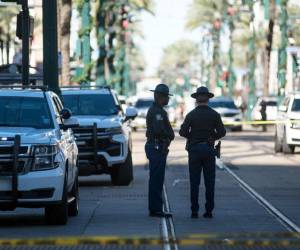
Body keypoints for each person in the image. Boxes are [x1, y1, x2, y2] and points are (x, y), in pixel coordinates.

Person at [179, 86, 226, 219]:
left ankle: (194, 211)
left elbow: (182, 132)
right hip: (209, 150)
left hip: (194, 151)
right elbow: (222, 132)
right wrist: (213, 138)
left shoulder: (191, 115)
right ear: (208, 99)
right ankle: (209, 211)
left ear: (197, 99)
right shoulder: (214, 115)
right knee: (209, 182)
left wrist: (192, 136)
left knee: (194, 182)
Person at [145, 84, 175, 218]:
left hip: (157, 147)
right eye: (165, 97)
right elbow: (158, 130)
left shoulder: (159, 110)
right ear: (158, 96)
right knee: (156, 179)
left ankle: (155, 207)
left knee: (157, 178)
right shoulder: (157, 112)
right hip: (157, 147)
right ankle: (156, 209)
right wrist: (168, 136)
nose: (167, 99)